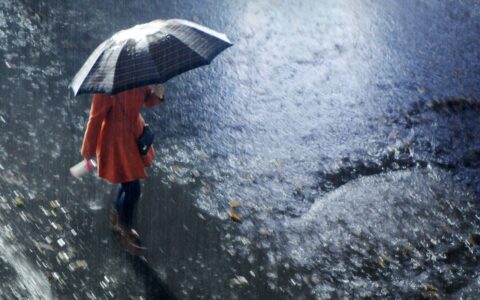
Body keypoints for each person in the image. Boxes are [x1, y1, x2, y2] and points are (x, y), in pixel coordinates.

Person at [81, 84, 165, 251]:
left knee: (126, 179)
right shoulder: (106, 87)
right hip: (116, 141)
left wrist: (158, 92)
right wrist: (88, 150)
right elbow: (96, 118)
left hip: (133, 134)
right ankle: (124, 224)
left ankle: (118, 214)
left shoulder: (137, 76)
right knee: (133, 187)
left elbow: (147, 101)